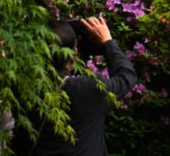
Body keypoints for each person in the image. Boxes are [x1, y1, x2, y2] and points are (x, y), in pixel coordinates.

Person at [30, 15, 136, 156]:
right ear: (74, 52)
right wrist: (107, 42)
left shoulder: (23, 87)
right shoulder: (88, 90)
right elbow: (126, 77)